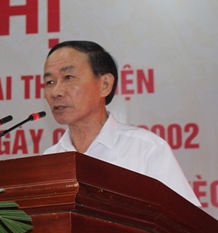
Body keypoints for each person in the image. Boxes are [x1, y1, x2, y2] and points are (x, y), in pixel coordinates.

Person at [42, 40, 201, 206]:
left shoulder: (146, 150)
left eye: (68, 77)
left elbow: (187, 224)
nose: (56, 92)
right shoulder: (49, 160)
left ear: (105, 84)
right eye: (49, 82)